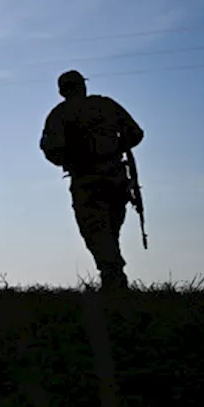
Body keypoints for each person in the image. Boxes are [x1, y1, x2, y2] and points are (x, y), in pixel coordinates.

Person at [40, 70, 145, 292]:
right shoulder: (105, 105)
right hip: (116, 179)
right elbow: (135, 133)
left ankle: (114, 279)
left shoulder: (60, 114)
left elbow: (51, 149)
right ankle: (114, 279)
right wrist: (112, 149)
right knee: (110, 230)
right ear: (82, 86)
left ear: (61, 91)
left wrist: (74, 158)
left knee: (95, 232)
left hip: (87, 181)